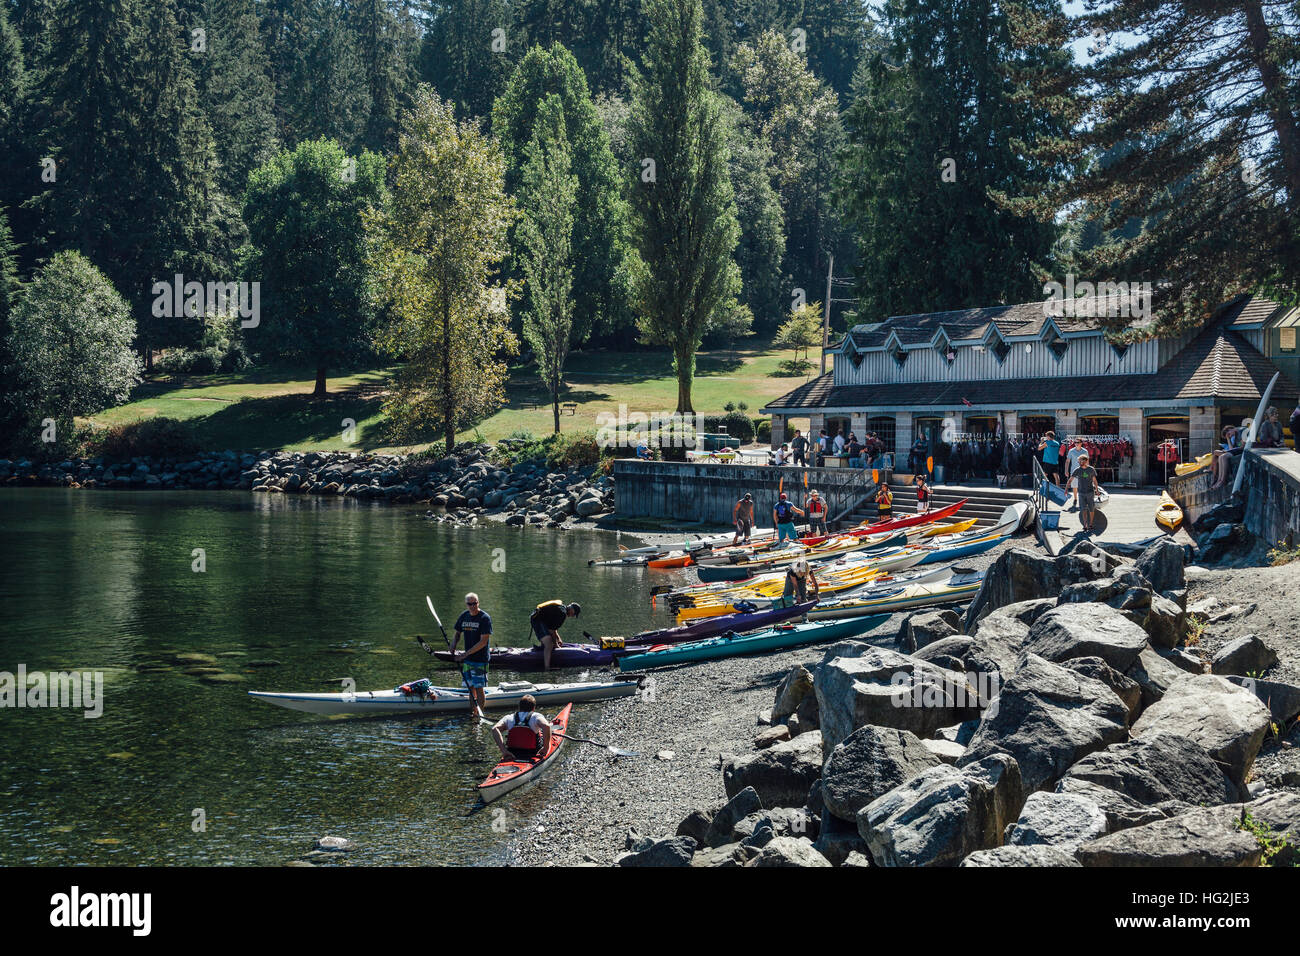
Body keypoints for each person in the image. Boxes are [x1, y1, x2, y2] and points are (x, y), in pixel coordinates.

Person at [451, 592, 492, 719]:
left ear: (478, 603)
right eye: (470, 604)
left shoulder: (484, 618)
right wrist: (453, 645)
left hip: (480, 660)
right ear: (466, 604)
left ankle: (479, 714)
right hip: (468, 660)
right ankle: (473, 712)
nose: (473, 606)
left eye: (475, 603)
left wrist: (464, 654)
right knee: (470, 687)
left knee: (479, 688)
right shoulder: (464, 616)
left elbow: (483, 642)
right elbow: (458, 633)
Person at [491, 694, 553, 761]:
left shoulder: (508, 717)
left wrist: (504, 751)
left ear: (519, 707)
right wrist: (546, 748)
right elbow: (547, 726)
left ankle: (507, 754)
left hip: (513, 752)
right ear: (533, 708)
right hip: (534, 752)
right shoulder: (536, 716)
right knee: (545, 736)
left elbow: (495, 729)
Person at [529, 599, 580, 670]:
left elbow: (553, 628)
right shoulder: (562, 614)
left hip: (540, 619)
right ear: (572, 609)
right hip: (537, 619)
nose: (572, 616)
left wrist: (559, 639)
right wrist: (556, 644)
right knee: (549, 644)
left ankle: (542, 650)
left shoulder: (562, 609)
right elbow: (551, 631)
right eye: (574, 614)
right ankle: (547, 667)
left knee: (549, 642)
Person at [1073, 453, 1102, 533]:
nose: (1079, 462)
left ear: (1085, 461)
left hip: (1090, 492)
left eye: (1080, 460)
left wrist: (1097, 490)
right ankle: (1085, 524)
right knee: (1083, 509)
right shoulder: (1077, 470)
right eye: (1079, 461)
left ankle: (1091, 524)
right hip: (1081, 492)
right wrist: (1066, 489)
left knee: (1091, 508)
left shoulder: (1091, 469)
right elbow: (1071, 479)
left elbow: (1095, 480)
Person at [1064, 438, 1087, 511]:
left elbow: (1087, 462)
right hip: (1073, 471)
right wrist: (1066, 470)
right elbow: (1067, 461)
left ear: (1081, 443)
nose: (1076, 443)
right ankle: (1075, 498)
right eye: (1075, 442)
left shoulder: (1085, 451)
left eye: (1078, 442)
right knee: (1074, 487)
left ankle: (1081, 500)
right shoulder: (1071, 451)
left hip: (1083, 471)